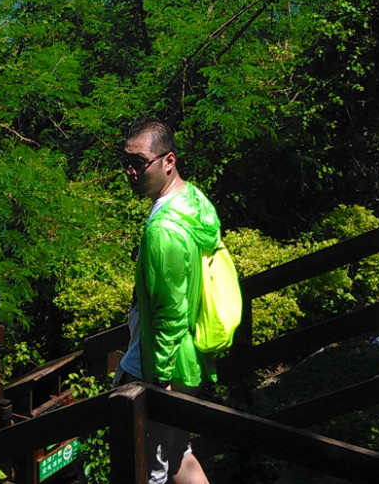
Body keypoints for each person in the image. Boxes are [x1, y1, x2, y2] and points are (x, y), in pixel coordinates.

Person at [117, 119, 223, 484]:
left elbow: (170, 311)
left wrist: (157, 378)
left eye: (139, 162)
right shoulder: (192, 201)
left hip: (162, 366)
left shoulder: (164, 229)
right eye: (126, 161)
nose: (131, 171)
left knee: (146, 470)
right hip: (189, 358)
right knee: (177, 454)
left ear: (168, 161)